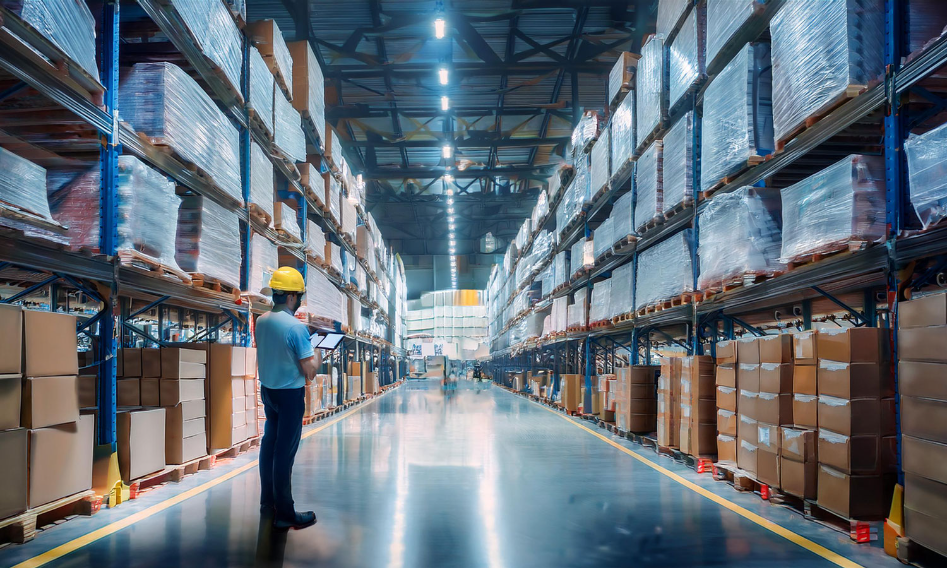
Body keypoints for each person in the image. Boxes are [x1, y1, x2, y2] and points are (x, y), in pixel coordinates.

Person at [255, 266, 319, 531]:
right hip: (290, 396)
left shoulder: (261, 320)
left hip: (268, 391)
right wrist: (318, 354)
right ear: (292, 297)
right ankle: (285, 512)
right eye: (299, 295)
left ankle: (267, 502)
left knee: (269, 445)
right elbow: (310, 371)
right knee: (285, 453)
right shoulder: (296, 328)